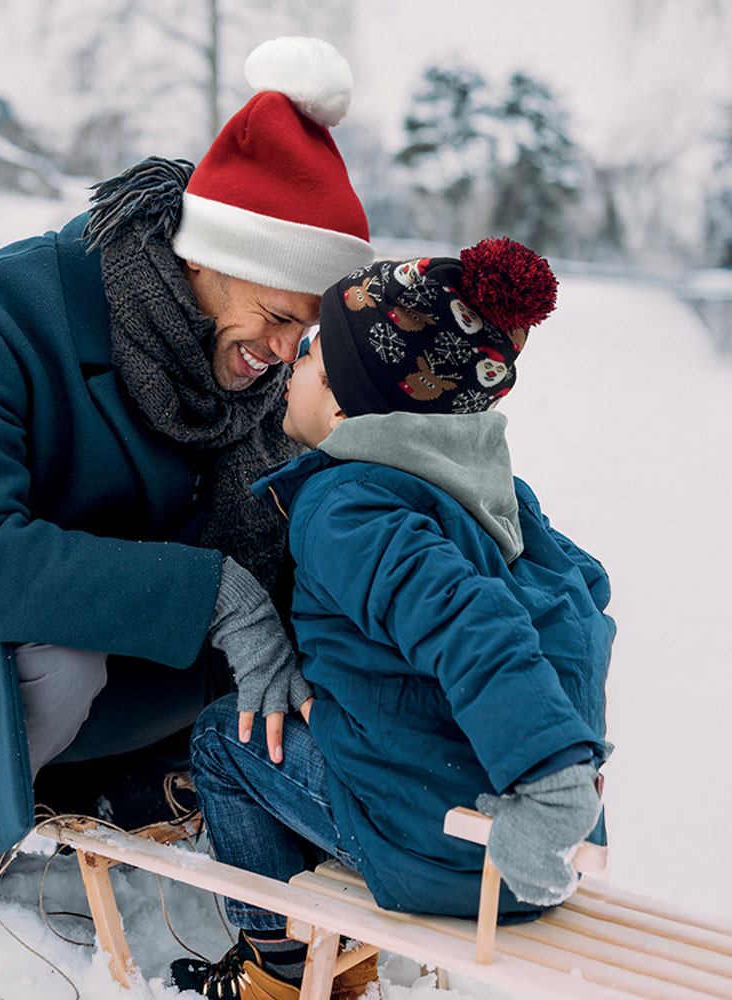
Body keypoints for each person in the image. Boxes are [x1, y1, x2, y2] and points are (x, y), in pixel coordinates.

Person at [0, 36, 374, 956]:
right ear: (207, 259)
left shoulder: (250, 368)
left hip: (136, 656)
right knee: (65, 664)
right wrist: (212, 593)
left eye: (306, 330)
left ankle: (133, 785)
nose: (288, 354)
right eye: (279, 318)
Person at [172, 241, 616, 1000]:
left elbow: (472, 628)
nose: (290, 365)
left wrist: (547, 784)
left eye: (309, 355)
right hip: (532, 850)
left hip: (464, 847)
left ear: (346, 409)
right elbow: (582, 595)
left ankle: (274, 970)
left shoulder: (352, 508)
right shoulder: (493, 492)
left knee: (224, 737)